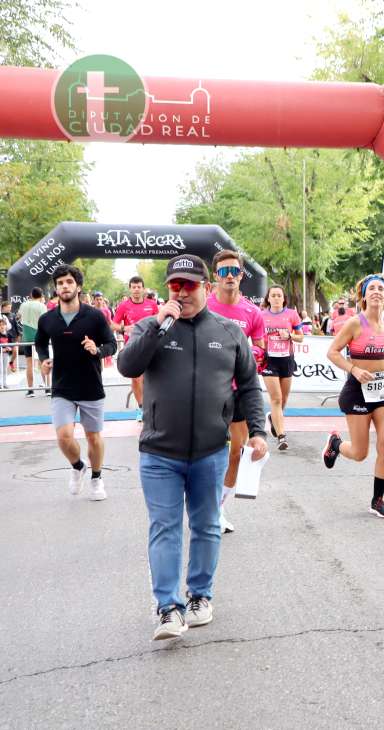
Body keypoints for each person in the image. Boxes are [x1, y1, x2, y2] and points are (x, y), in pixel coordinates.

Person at [117, 254, 268, 640]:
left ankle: (200, 596)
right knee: (164, 527)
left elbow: (249, 385)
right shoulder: (149, 326)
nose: (182, 292)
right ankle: (168, 607)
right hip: (159, 453)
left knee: (206, 526)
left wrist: (257, 431)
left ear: (206, 287)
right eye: (175, 286)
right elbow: (127, 366)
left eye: (189, 285)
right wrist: (156, 327)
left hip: (210, 450)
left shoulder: (229, 332)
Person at [321, 275, 384, 518]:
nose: (377, 292)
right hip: (358, 390)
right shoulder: (355, 324)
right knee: (360, 453)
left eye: (381, 288)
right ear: (364, 296)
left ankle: (378, 500)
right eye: (372, 289)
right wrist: (354, 370)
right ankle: (335, 444)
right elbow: (332, 352)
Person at [36, 265, 118, 501]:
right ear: (56, 288)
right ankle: (77, 466)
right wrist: (43, 360)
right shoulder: (47, 318)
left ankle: (96, 477)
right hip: (62, 386)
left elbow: (111, 344)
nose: (64, 286)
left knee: (93, 437)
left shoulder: (94, 316)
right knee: (63, 436)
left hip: (91, 385)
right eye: (60, 283)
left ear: (78, 286)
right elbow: (40, 343)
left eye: (69, 282)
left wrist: (98, 349)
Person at [206, 250, 267, 534]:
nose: (229, 276)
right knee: (206, 452)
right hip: (207, 391)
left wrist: (246, 354)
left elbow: (261, 347)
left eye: (234, 271)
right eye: (223, 272)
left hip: (238, 390)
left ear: (242, 275)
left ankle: (218, 507)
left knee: (236, 452)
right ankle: (203, 503)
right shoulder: (203, 307)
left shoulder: (252, 312)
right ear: (215, 276)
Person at [261, 285, 304, 451]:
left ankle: (273, 418)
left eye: (279, 295)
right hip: (268, 360)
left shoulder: (292, 314)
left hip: (286, 359)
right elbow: (256, 336)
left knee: (284, 399)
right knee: (276, 398)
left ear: (284, 298)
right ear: (268, 299)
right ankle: (281, 436)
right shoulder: (261, 315)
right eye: (273, 295)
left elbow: (301, 338)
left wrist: (290, 336)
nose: (277, 298)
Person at [113, 276, 160, 418]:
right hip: (133, 347)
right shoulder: (124, 306)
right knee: (136, 378)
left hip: (152, 345)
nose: (136, 290)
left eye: (139, 287)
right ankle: (141, 409)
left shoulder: (152, 304)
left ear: (143, 289)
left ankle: (154, 406)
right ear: (130, 289)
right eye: (133, 287)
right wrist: (125, 328)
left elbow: (160, 320)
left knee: (152, 378)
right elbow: (112, 324)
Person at [18, 287, 48, 397]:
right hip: (40, 337)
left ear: (31, 295)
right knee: (44, 362)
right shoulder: (42, 306)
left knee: (29, 364)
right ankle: (47, 388)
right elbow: (45, 321)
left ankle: (30, 390)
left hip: (27, 337)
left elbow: (19, 317)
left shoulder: (23, 305)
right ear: (41, 295)